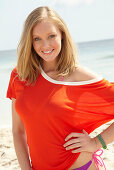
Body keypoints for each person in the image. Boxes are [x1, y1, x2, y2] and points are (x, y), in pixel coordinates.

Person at [6, 6, 114, 170]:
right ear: (30, 41)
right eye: (37, 38)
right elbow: (17, 131)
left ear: (62, 35)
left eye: (51, 36)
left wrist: (96, 142)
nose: (46, 45)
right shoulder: (19, 76)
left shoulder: (77, 75)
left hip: (79, 166)